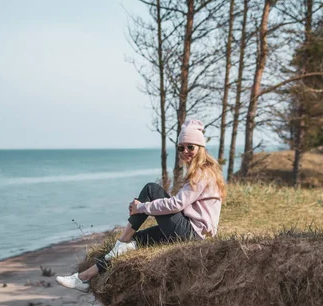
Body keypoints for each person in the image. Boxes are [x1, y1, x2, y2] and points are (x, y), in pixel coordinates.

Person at [56, 119, 226, 292]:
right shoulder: (204, 171)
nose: (185, 151)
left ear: (200, 148)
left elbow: (177, 204)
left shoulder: (202, 173)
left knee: (151, 189)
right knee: (135, 242)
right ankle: (85, 277)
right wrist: (145, 207)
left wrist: (142, 207)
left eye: (191, 146)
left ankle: (121, 241)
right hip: (190, 232)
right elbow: (181, 206)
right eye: (181, 147)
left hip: (191, 234)